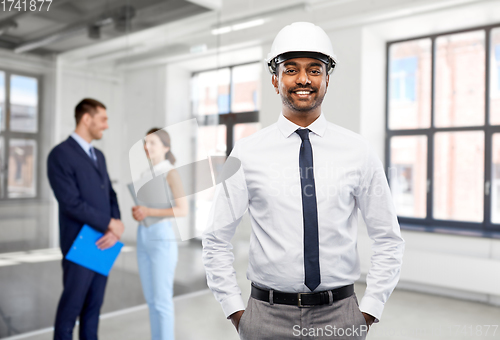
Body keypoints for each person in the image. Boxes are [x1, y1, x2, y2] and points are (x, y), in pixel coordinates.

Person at [202, 22, 405, 340]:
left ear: (327, 79)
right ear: (275, 79)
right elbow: (216, 238)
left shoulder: (358, 150)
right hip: (266, 316)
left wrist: (367, 312)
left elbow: (388, 238)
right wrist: (237, 312)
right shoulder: (247, 152)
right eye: (290, 69)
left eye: (314, 69)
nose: (303, 79)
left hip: (340, 315)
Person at [47, 98, 124, 340]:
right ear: (86, 118)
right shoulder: (59, 155)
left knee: (93, 309)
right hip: (79, 243)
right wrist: (109, 223)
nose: (106, 126)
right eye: (103, 119)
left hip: (105, 242)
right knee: (71, 310)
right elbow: (70, 203)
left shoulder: (98, 155)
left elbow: (110, 193)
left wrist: (116, 225)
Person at [131, 128, 188, 340]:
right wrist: (140, 212)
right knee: (152, 300)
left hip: (161, 238)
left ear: (165, 147)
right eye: (145, 143)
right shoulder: (146, 174)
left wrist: (149, 211)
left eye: (152, 143)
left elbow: (182, 210)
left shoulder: (170, 172)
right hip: (143, 235)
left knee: (162, 301)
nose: (147, 147)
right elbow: (147, 208)